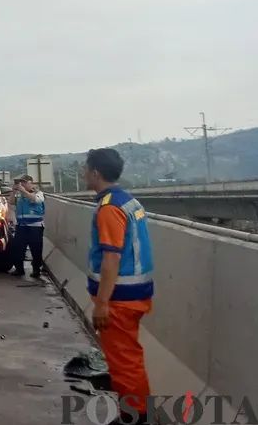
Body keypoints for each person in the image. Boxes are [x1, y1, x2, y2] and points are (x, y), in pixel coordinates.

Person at [85, 147, 154, 423]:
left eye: (85, 169)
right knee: (128, 357)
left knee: (124, 362)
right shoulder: (128, 201)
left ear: (95, 173)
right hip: (134, 295)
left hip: (119, 300)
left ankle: (135, 416)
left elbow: (111, 258)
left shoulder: (109, 208)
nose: (83, 174)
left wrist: (102, 303)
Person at [11, 174, 46, 277]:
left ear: (31, 183)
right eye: (22, 183)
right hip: (21, 226)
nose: (23, 185)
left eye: (25, 182)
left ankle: (36, 270)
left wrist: (23, 191)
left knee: (36, 249)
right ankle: (19, 269)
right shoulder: (20, 196)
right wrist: (14, 192)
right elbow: (11, 202)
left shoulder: (39, 193)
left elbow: (36, 199)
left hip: (35, 227)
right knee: (18, 248)